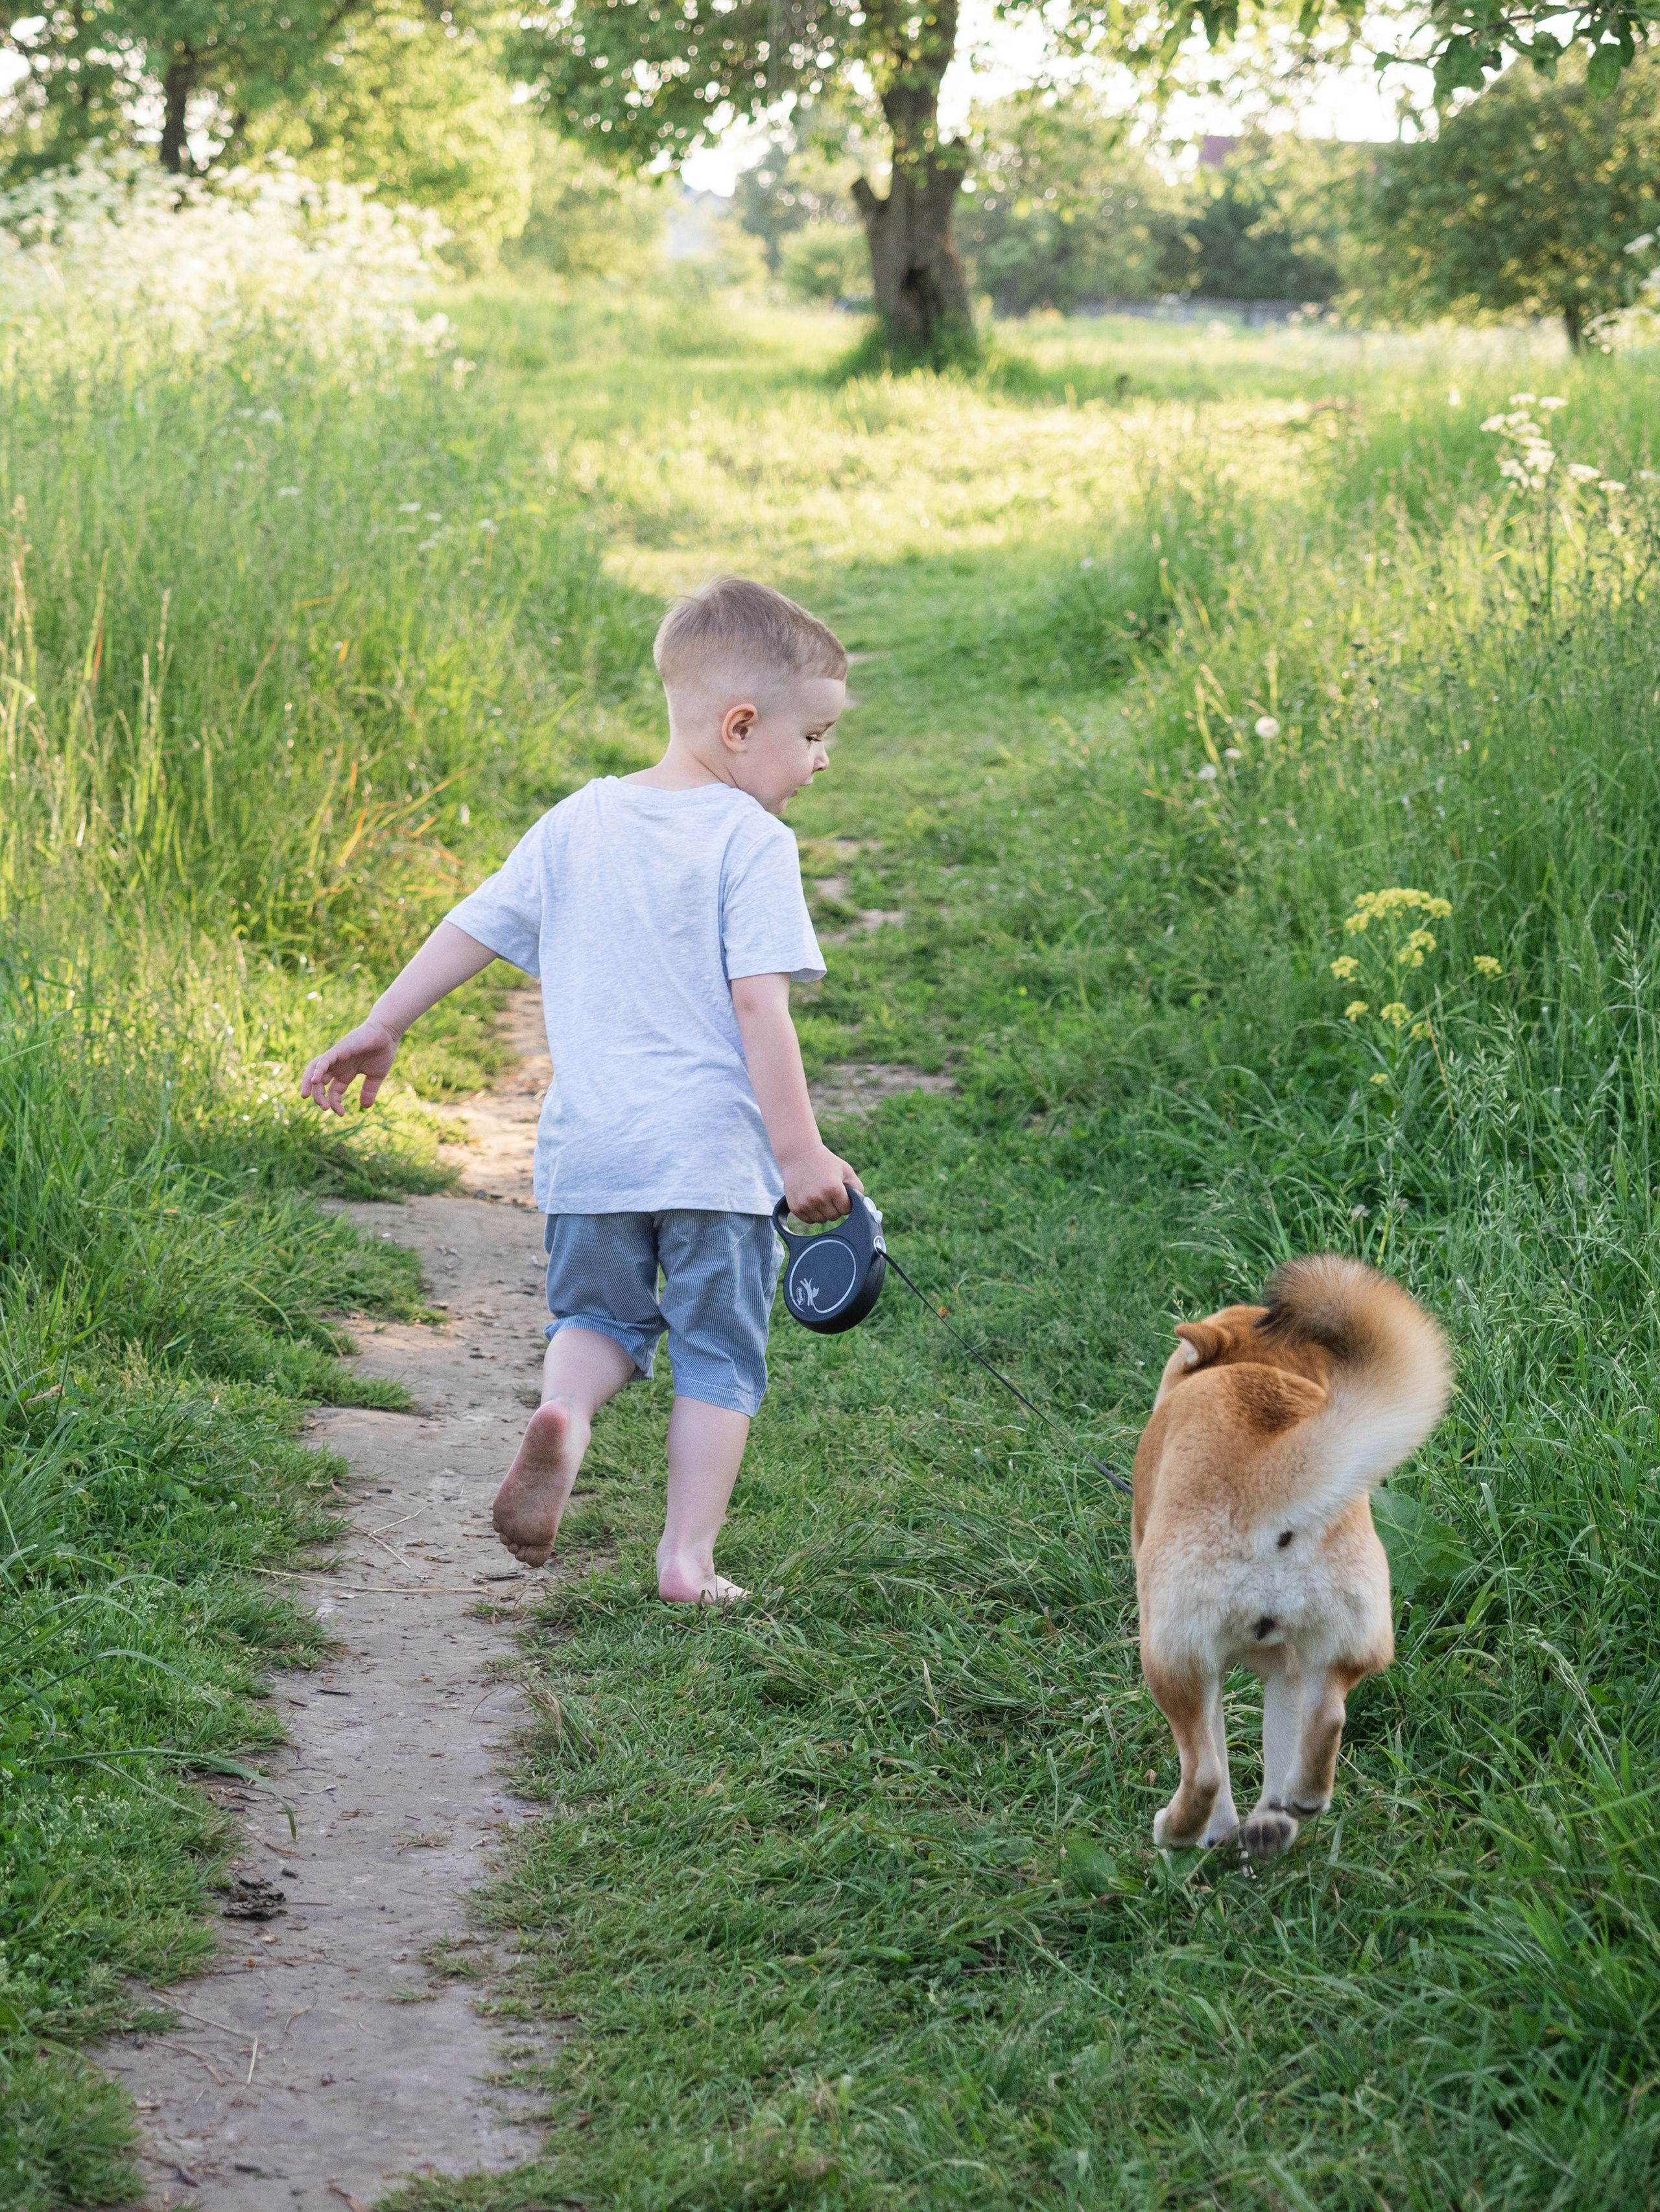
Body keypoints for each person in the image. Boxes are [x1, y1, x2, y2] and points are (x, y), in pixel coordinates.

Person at [300, 576, 860, 1603]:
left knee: (598, 1326)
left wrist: (385, 1021)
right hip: (711, 1163)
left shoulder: (579, 820)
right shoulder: (752, 842)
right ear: (742, 727)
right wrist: (799, 1155)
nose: (824, 761)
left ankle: (566, 1409)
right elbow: (759, 1012)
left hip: (591, 1154)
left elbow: (474, 924)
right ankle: (686, 1560)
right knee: (716, 1359)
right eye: (815, 736)